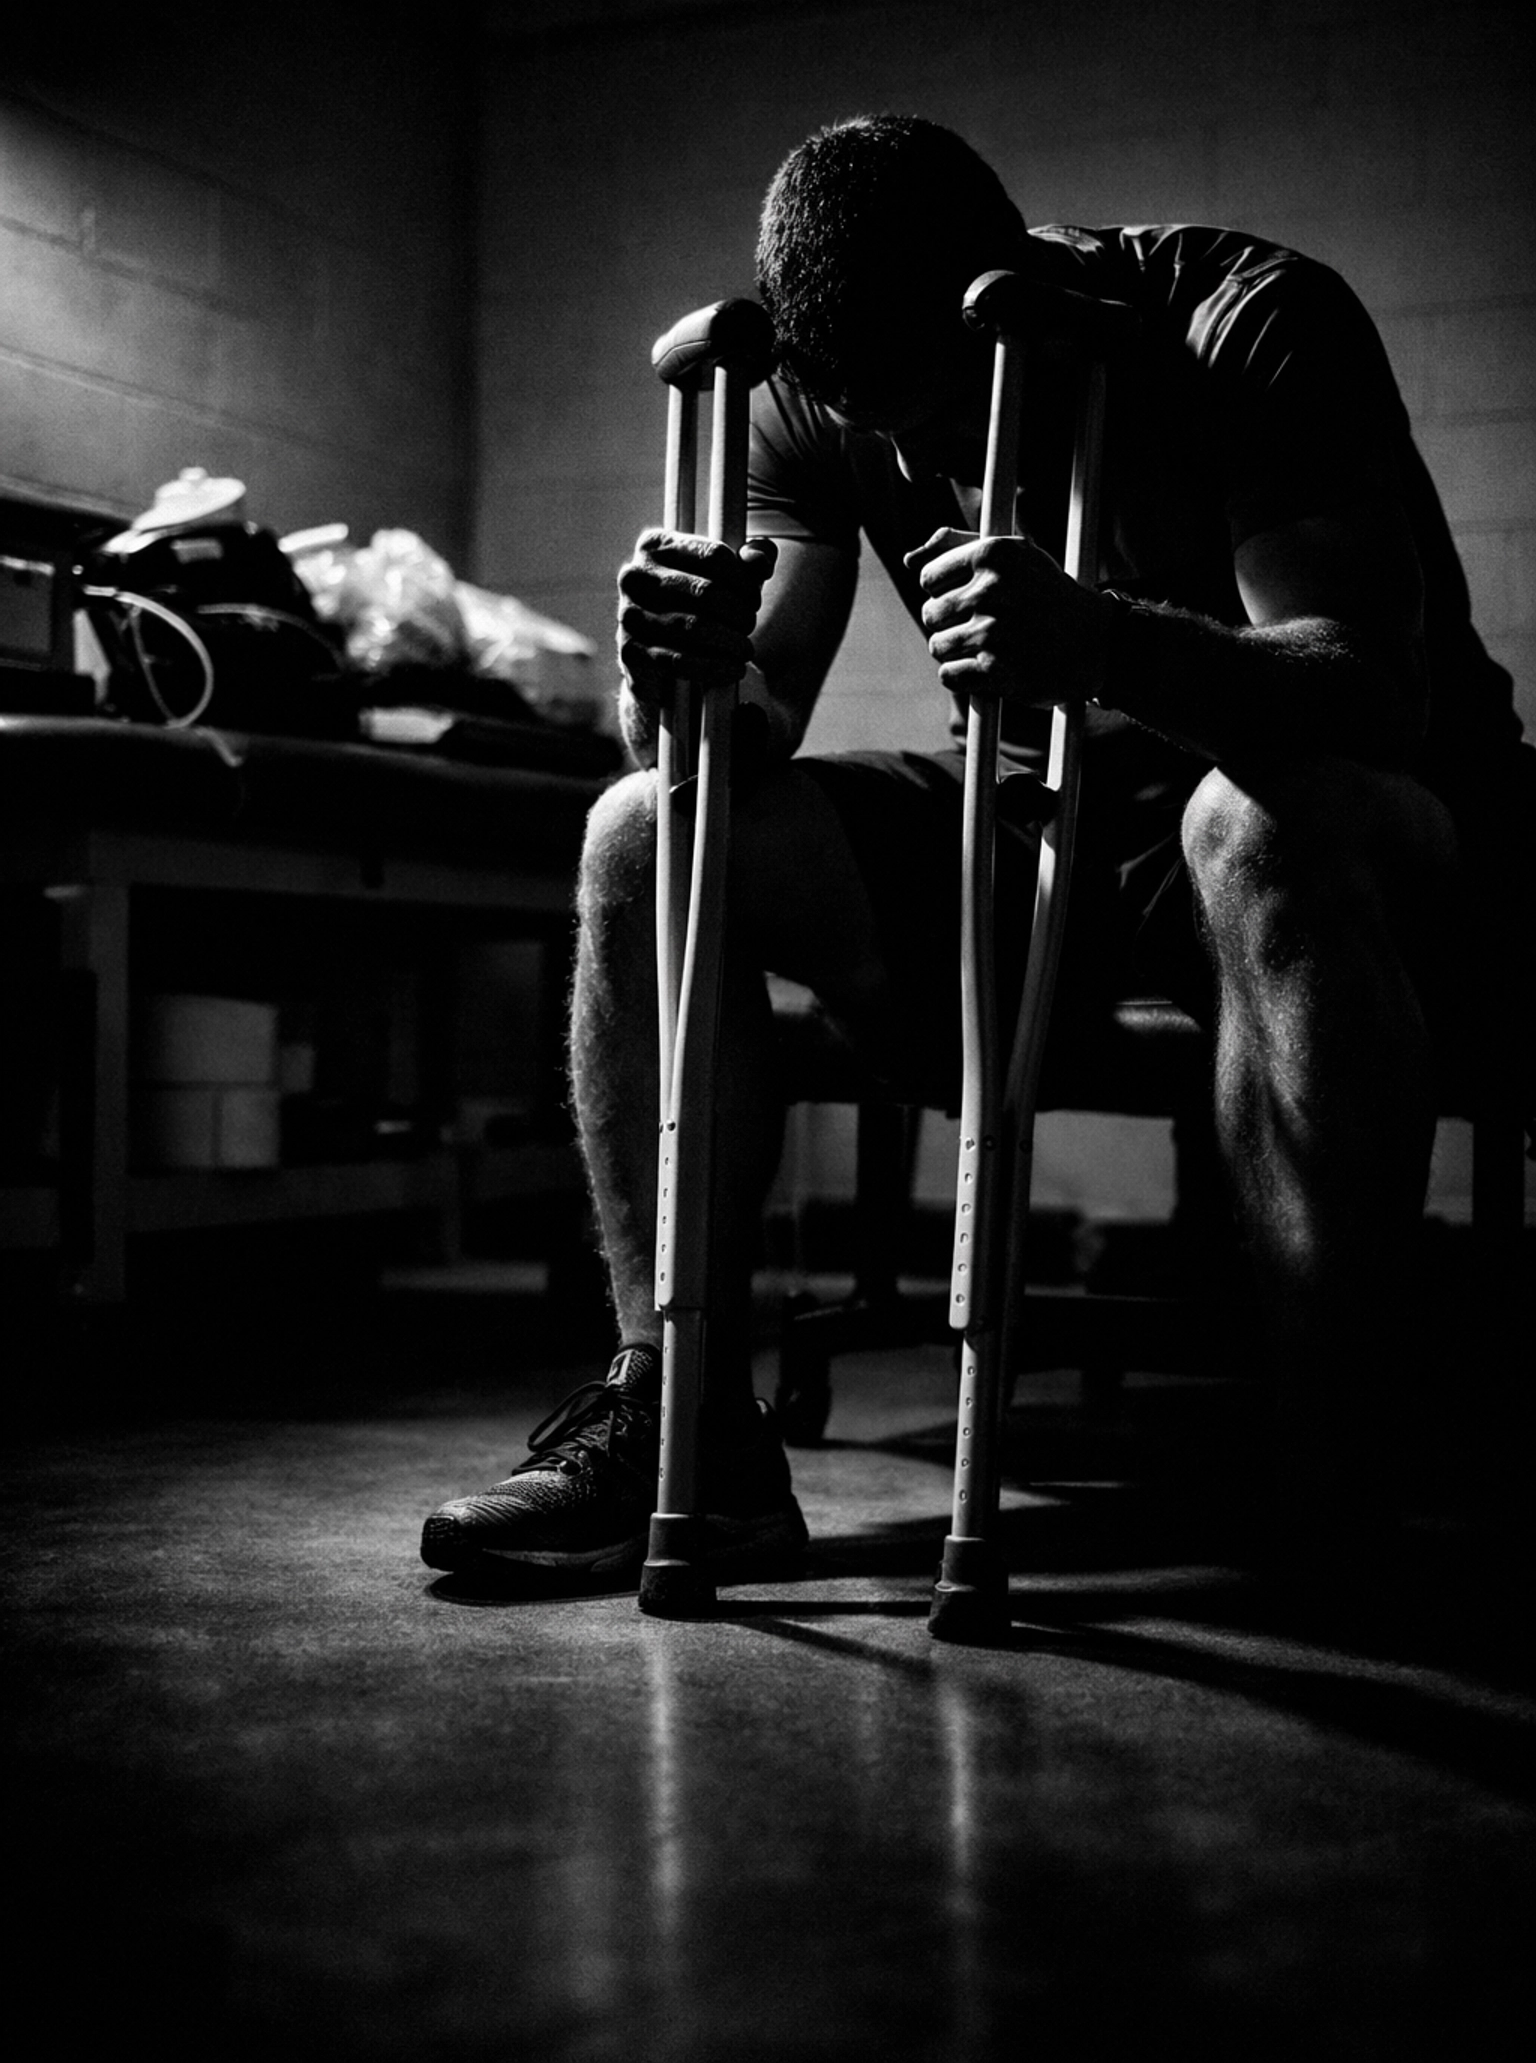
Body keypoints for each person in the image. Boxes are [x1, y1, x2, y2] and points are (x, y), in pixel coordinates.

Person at [421, 113, 1531, 1593]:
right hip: (1037, 835)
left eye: (931, 421)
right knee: (644, 830)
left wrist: (1105, 643)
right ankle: (679, 1421)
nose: (907, 461)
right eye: (863, 422)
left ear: (1005, 288)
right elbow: (747, 722)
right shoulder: (817, 400)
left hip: (1361, 838)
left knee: (1249, 821)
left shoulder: (1246, 327)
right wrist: (671, 683)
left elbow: (1374, 697)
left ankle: (1331, 1449)